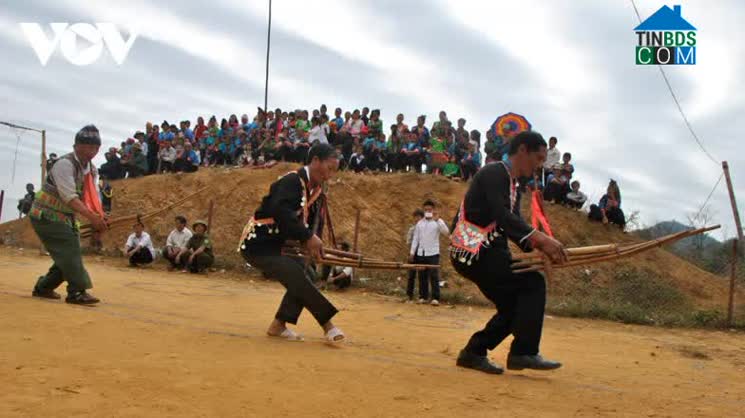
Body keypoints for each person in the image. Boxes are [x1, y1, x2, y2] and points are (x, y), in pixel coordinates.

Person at [450, 131, 566, 374]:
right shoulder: (494, 173)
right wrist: (540, 240)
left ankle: (474, 352)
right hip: (474, 250)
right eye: (538, 158)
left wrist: (538, 247)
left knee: (516, 305)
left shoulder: (512, 183)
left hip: (487, 251)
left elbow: (512, 222)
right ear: (522, 150)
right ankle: (524, 352)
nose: (540, 165)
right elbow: (503, 217)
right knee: (532, 283)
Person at [239, 143, 345, 343]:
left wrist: (313, 246)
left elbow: (315, 225)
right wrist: (306, 238)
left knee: (309, 273)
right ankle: (327, 325)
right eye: (329, 168)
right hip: (259, 245)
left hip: (280, 246)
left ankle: (279, 325)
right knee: (297, 274)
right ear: (315, 161)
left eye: (334, 171)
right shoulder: (291, 181)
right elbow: (281, 213)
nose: (330, 175)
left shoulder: (316, 192)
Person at [28, 125, 107, 305]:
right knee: (70, 250)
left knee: (68, 253)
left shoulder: (92, 170)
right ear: (77, 145)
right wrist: (93, 218)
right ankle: (77, 291)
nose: (92, 151)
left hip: (66, 217)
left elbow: (92, 197)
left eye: (95, 148)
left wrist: (100, 216)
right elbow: (69, 197)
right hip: (46, 215)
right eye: (88, 146)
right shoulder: (64, 164)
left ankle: (44, 287)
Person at [410, 200, 449, 305]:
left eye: (430, 210)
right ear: (423, 210)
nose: (428, 211)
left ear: (433, 210)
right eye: (426, 209)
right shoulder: (419, 223)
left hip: (433, 253)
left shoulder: (437, 222)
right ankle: (423, 296)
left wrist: (438, 220)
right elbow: (416, 239)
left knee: (433, 275)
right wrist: (412, 252)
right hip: (421, 253)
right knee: (422, 275)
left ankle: (435, 298)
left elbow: (446, 232)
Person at [405, 209, 425, 302]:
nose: (417, 219)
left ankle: (422, 296)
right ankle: (409, 295)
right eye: (415, 217)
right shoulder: (412, 229)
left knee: (422, 275)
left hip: (422, 254)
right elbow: (408, 242)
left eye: (419, 217)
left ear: (422, 217)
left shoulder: (425, 230)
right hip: (413, 254)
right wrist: (410, 253)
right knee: (411, 275)